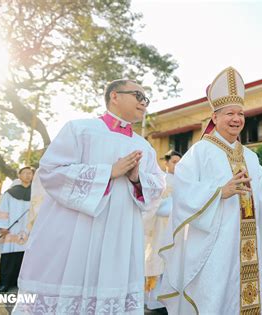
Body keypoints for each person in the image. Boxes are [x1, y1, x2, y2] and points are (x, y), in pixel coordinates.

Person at [13, 79, 166, 314]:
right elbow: (51, 172)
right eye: (138, 96)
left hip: (120, 237)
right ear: (114, 96)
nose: (144, 103)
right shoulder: (79, 129)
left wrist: (137, 179)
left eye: (146, 99)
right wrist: (107, 173)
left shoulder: (144, 146)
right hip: (77, 235)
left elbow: (157, 188)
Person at [158, 67, 262, 314]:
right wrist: (220, 192)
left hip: (245, 245)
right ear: (214, 117)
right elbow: (183, 191)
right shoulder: (200, 152)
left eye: (240, 113)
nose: (236, 119)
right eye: (230, 113)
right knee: (215, 299)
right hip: (215, 247)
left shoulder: (251, 157)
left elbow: (261, 191)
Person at [144, 150, 181, 312]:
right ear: (166, 163)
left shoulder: (183, 180)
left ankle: (170, 297)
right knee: (158, 258)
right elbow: (154, 202)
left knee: (174, 261)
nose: (177, 165)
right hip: (160, 225)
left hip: (177, 226)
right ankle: (154, 299)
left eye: (179, 162)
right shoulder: (161, 180)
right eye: (174, 162)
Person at [0, 166, 34, 292]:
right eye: (24, 173)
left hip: (28, 230)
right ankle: (4, 283)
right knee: (8, 257)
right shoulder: (10, 193)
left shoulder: (36, 194)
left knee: (23, 257)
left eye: (30, 173)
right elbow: (3, 209)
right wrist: (1, 227)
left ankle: (18, 282)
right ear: (19, 176)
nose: (27, 175)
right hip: (11, 230)